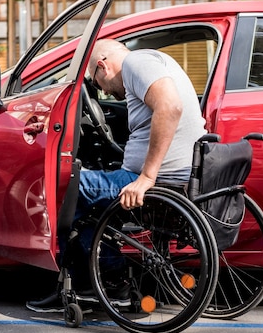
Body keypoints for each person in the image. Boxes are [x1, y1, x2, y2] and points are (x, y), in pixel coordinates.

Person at [26, 39, 207, 312]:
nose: (105, 94)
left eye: (98, 86)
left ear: (102, 67)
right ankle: (111, 284)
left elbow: (170, 107)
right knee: (89, 202)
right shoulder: (153, 61)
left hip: (161, 180)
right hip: (178, 174)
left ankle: (99, 284)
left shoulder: (136, 63)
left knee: (65, 188)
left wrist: (146, 177)